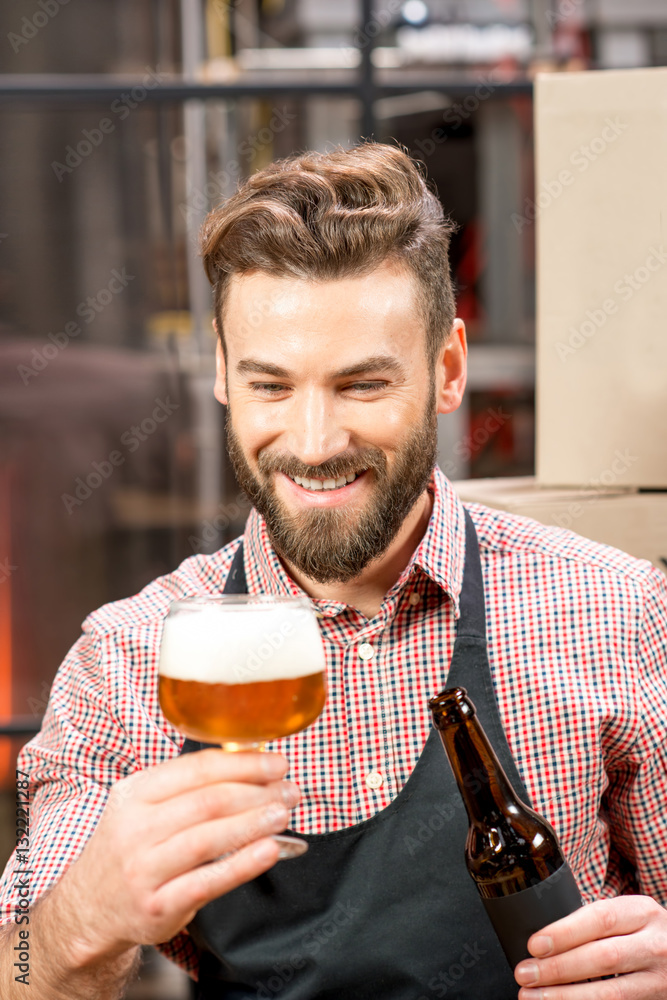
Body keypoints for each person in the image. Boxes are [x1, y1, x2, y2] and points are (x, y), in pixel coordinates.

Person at [0, 141, 666, 1000]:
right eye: (271, 386)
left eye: (360, 386)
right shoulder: (129, 662)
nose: (312, 445)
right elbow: (12, 968)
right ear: (221, 374)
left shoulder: (616, 611)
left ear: (447, 370)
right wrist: (82, 915)